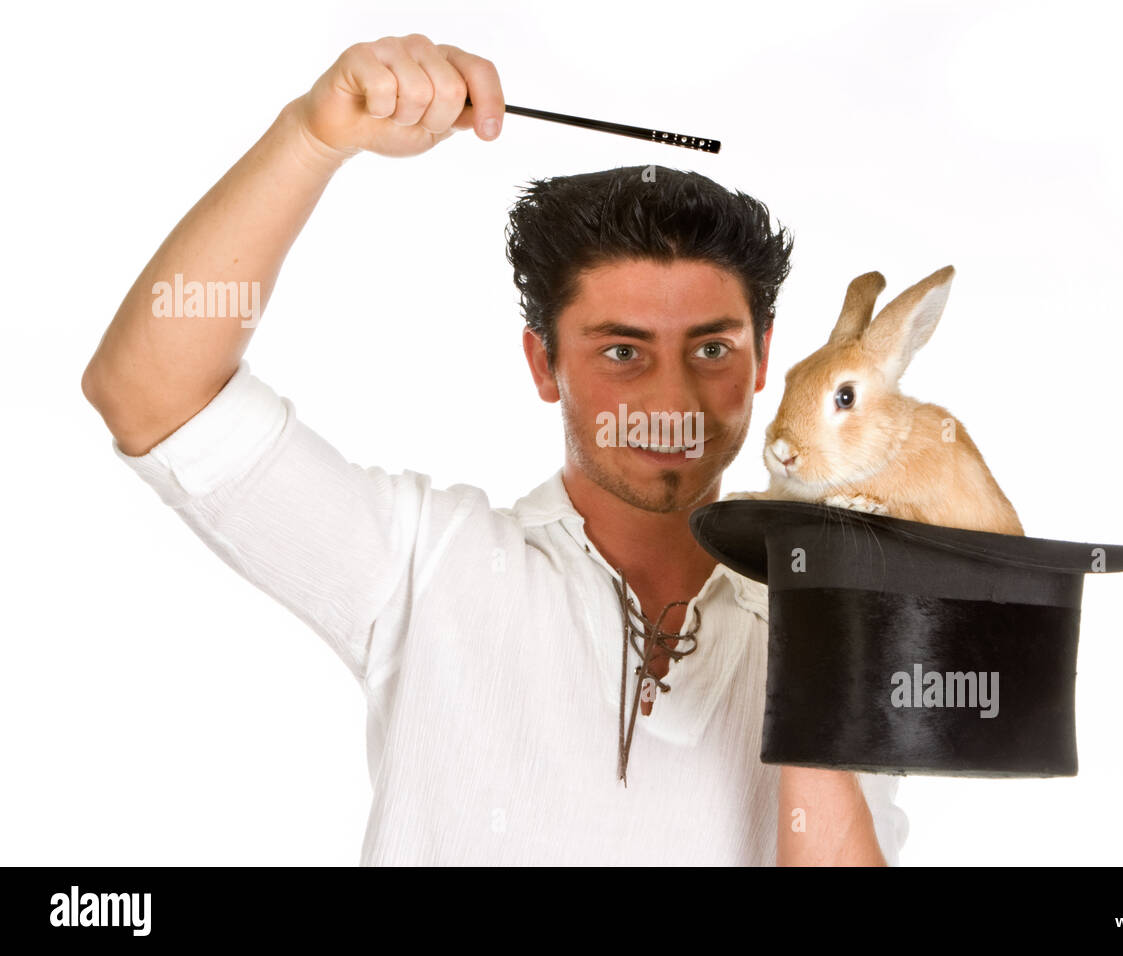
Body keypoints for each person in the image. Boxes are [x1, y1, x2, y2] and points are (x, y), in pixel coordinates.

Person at [81, 34, 908, 866]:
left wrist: (815, 649)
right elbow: (151, 395)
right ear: (544, 364)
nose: (671, 399)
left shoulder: (837, 625)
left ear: (763, 360)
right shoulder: (427, 565)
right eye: (622, 351)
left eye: (711, 349)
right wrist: (311, 136)